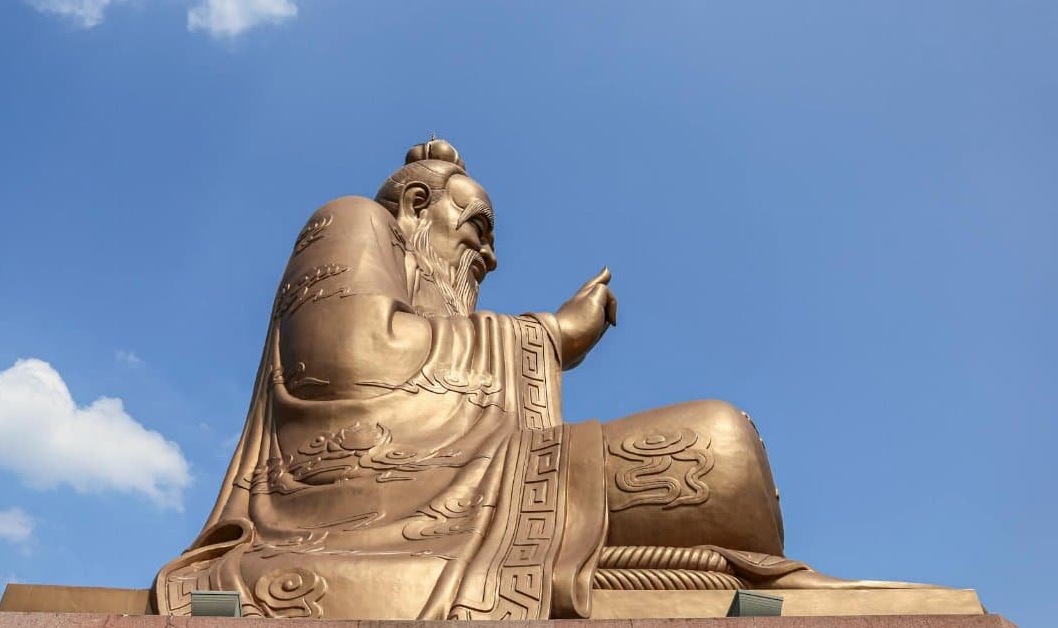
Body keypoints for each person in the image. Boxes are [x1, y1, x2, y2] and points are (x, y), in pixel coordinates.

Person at [153, 138, 917, 620]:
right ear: (417, 204)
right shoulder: (355, 221)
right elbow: (343, 362)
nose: (488, 257)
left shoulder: (437, 292)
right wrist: (551, 333)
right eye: (477, 229)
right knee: (718, 445)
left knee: (723, 448)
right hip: (346, 499)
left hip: (478, 476)